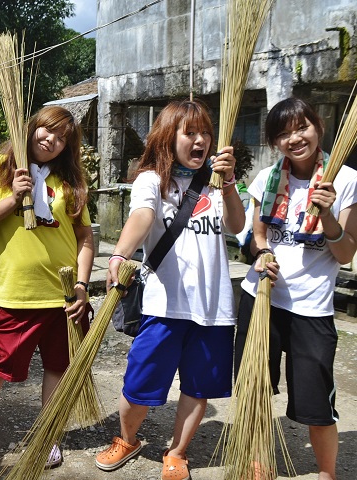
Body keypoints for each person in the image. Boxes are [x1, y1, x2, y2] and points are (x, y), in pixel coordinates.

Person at [94, 99, 245, 480]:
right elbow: (142, 216)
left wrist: (229, 184)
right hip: (164, 306)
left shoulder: (216, 181)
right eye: (189, 133)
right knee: (139, 384)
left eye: (205, 133)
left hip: (213, 308)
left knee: (198, 386)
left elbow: (236, 226)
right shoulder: (151, 180)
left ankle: (177, 452)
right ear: (167, 137)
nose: (200, 141)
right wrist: (120, 254)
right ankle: (128, 439)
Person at [0, 105, 94, 468]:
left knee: (58, 367)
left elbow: (84, 236)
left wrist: (81, 285)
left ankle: (47, 435)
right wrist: (14, 198)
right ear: (32, 128)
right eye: (48, 130)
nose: (52, 140)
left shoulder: (69, 181)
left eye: (62, 138)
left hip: (64, 296)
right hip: (18, 293)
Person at [236, 97, 357, 480]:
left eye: (302, 127)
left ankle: (326, 473)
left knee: (317, 403)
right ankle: (258, 461)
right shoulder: (266, 178)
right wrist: (263, 253)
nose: (295, 138)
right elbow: (257, 237)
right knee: (255, 389)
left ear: (318, 127)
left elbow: (345, 252)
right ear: (275, 141)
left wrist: (328, 215)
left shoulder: (345, 180)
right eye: (284, 133)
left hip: (312, 309)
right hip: (262, 298)